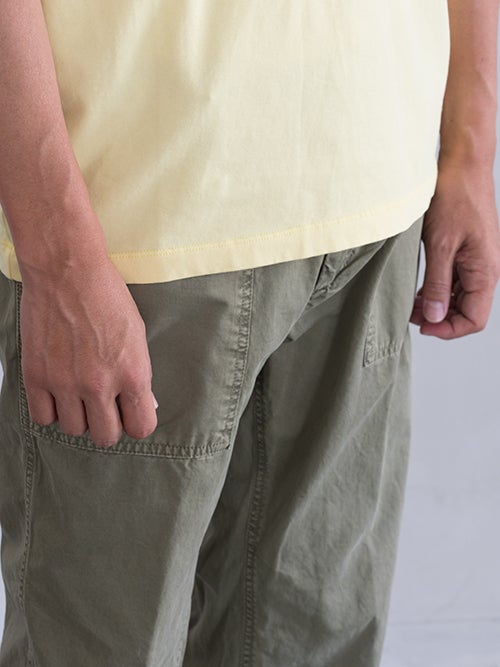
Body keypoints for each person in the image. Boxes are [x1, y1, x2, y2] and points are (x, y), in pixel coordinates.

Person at [0, 1, 498, 665]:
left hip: (377, 191)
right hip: (143, 226)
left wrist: (470, 151)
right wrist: (59, 257)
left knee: (317, 643)